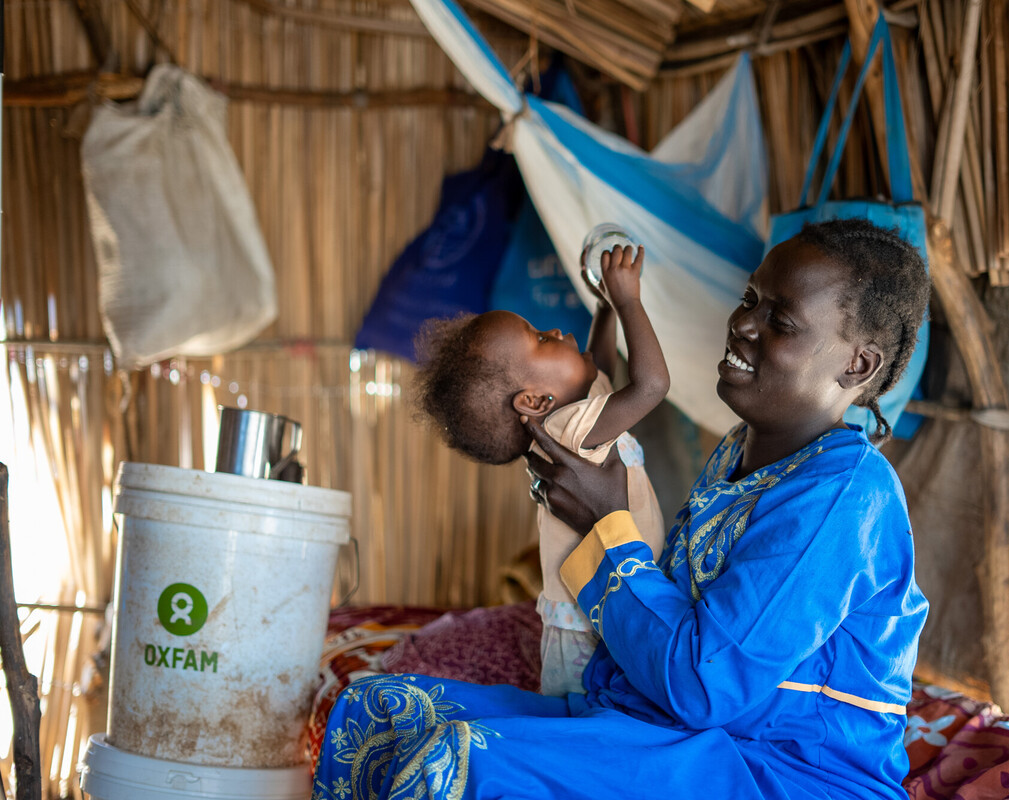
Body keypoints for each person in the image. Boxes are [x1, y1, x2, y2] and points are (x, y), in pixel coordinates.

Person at [312, 218, 931, 800]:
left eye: (782, 322)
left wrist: (604, 526)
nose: (743, 325)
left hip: (777, 770)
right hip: (664, 726)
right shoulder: (738, 455)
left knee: (461, 765)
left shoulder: (844, 497)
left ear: (859, 364)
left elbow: (704, 683)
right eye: (750, 301)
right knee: (376, 712)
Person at [411, 243, 668, 696]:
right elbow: (652, 385)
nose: (553, 329)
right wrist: (629, 301)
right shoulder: (569, 431)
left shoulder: (575, 414)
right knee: (586, 731)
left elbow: (600, 367)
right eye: (542, 340)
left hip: (600, 612)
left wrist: (605, 309)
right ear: (534, 402)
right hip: (588, 634)